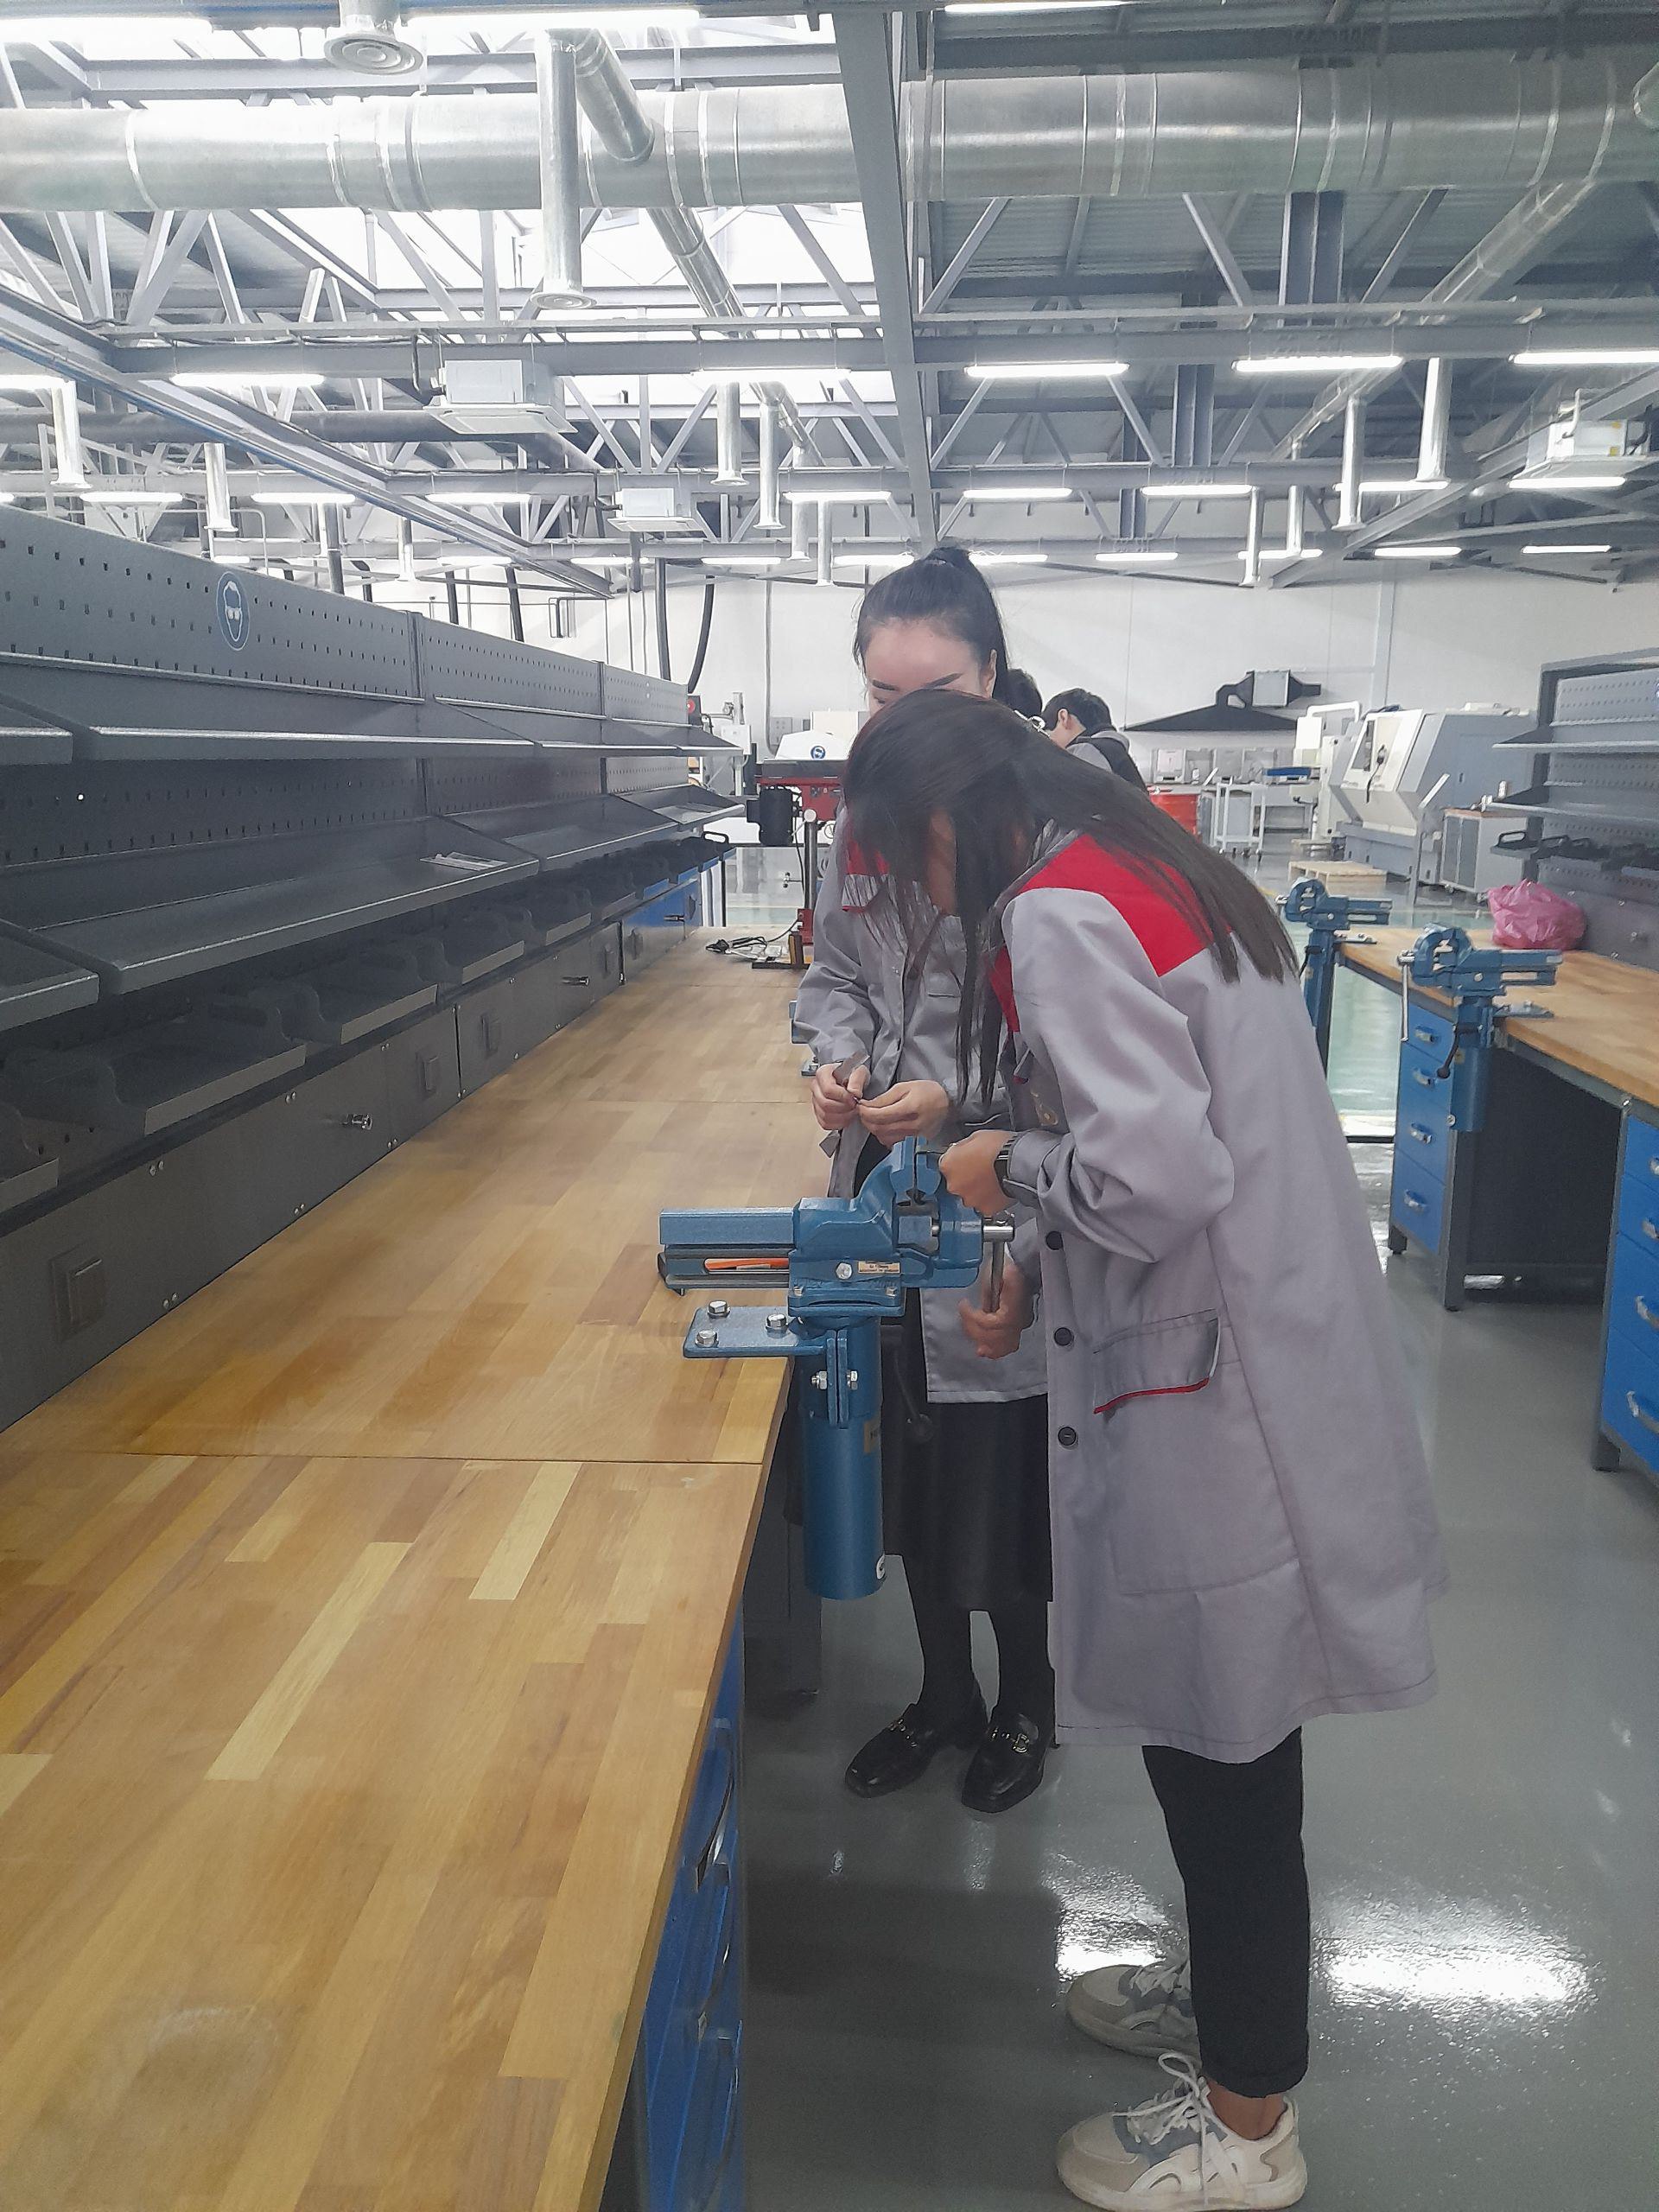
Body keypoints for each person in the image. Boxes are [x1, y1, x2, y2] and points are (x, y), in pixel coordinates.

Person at [842, 692, 1445, 2212]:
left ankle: (1248, 2130)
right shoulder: (1152, 865)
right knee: (1218, 1733)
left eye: (913, 866)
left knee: (1225, 1755)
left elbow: (1157, 1174)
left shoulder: (1057, 911)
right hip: (1256, 1348)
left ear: (946, 821)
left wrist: (1000, 1164)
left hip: (1220, 1395)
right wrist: (1032, 1261)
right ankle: (1220, 2009)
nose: (924, 900)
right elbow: (1177, 1130)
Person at [793, 546, 1056, 1815]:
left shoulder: (1043, 833)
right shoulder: (861, 822)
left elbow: (1067, 1053)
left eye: (932, 691)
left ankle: (1029, 1702)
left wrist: (957, 1097)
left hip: (1002, 1196)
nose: (901, 723)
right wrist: (838, 1061)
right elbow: (835, 973)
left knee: (998, 1470)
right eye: (881, 694)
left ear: (991, 676)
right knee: (912, 1459)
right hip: (882, 1194)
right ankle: (943, 1694)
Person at [1042, 686, 1149, 793]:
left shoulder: (1086, 752)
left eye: (1047, 733)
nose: (1048, 742)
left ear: (1063, 718)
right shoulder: (1113, 752)